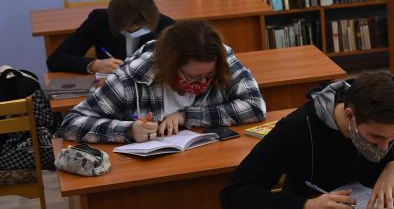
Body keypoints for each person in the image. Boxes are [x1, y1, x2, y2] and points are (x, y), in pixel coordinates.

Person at [220, 70, 394, 209]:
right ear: (350, 116)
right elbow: (235, 191)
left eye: (393, 138)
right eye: (376, 138)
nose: (384, 147)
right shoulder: (297, 128)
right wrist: (304, 207)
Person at [59, 20, 265, 143]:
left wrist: (187, 116)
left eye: (209, 75)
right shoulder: (134, 75)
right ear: (171, 65)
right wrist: (129, 130)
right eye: (193, 77)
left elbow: (255, 106)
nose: (203, 82)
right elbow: (71, 123)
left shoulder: (221, 57)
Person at [47, 0, 175, 74]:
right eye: (126, 30)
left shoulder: (167, 27)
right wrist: (94, 65)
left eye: (138, 30)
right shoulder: (100, 20)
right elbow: (56, 59)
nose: (132, 34)